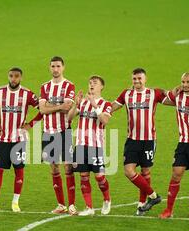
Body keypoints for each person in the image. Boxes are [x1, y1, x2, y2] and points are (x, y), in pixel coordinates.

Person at [0, 67, 41, 212]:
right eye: (11, 76)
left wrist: (30, 124)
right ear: (8, 76)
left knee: (18, 170)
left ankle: (15, 202)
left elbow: (42, 110)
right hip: (3, 139)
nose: (13, 79)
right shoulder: (0, 92)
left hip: (19, 139)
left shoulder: (27, 94)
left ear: (21, 78)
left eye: (17, 76)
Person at [111, 68, 163, 215]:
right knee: (129, 171)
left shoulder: (154, 93)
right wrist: (96, 105)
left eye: (140, 78)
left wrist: (182, 89)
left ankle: (142, 205)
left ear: (145, 79)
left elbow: (173, 98)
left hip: (149, 140)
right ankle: (153, 196)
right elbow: (112, 107)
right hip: (132, 139)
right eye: (134, 79)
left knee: (145, 171)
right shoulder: (126, 94)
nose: (137, 81)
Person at [159, 73, 189, 219]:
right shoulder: (178, 96)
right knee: (176, 173)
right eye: (183, 82)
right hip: (183, 142)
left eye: (188, 82)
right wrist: (175, 89)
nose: (185, 84)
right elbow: (161, 95)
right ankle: (168, 209)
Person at [67, 76, 112, 216]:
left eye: (95, 83)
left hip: (96, 146)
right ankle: (89, 207)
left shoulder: (106, 104)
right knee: (84, 176)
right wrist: (76, 104)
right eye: (90, 83)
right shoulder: (83, 103)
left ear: (101, 87)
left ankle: (107, 199)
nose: (92, 85)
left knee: (99, 177)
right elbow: (69, 118)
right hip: (81, 144)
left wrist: (95, 106)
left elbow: (105, 120)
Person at [39, 56, 76, 215]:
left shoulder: (69, 85)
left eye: (58, 66)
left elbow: (68, 108)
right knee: (54, 168)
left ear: (63, 67)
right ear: (50, 68)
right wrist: (59, 106)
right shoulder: (44, 87)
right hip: (48, 132)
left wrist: (50, 106)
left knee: (68, 166)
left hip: (64, 130)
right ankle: (61, 204)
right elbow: (42, 110)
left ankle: (72, 204)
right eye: (53, 66)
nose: (55, 69)